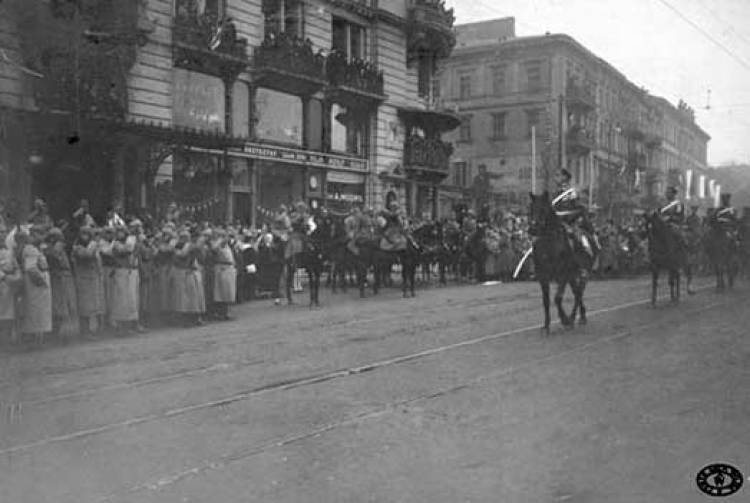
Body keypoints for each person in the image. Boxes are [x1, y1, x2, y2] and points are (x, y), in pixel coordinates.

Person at [552, 169, 596, 259]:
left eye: (558, 176)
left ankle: (586, 262)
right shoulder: (554, 194)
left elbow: (579, 208)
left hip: (571, 224)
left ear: (565, 177)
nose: (556, 178)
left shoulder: (573, 193)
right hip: (557, 224)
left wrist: (570, 218)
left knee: (582, 240)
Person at [18, 226, 52, 342]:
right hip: (36, 286)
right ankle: (36, 338)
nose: (42, 237)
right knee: (36, 311)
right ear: (32, 236)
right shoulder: (30, 249)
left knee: (40, 311)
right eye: (40, 234)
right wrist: (42, 281)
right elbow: (31, 268)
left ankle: (40, 337)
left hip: (39, 284)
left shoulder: (37, 248)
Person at [45, 227, 79, 336]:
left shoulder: (62, 248)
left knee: (69, 304)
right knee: (59, 305)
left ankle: (68, 331)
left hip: (66, 277)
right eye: (56, 237)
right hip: (57, 278)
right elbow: (53, 258)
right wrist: (55, 249)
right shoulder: (49, 249)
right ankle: (58, 331)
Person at [71, 226, 105, 336]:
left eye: (86, 234)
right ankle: (85, 331)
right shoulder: (77, 247)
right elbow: (87, 254)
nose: (84, 236)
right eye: (82, 234)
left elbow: (97, 262)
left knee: (97, 305)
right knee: (84, 306)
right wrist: (92, 245)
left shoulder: (92, 245)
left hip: (94, 278)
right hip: (82, 279)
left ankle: (99, 328)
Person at [0, 228, 21, 341]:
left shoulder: (8, 250)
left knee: (9, 312)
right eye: (0, 232)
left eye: (3, 232)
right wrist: (4, 276)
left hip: (10, 284)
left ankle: (7, 339)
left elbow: (15, 264)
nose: (2, 234)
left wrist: (17, 275)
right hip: (2, 281)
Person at [212, 228, 237, 321]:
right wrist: (220, 239)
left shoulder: (227, 245)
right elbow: (214, 248)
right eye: (224, 236)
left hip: (229, 268)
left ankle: (227, 313)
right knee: (222, 293)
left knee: (229, 292)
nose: (227, 238)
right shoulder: (218, 245)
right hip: (222, 268)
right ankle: (222, 313)